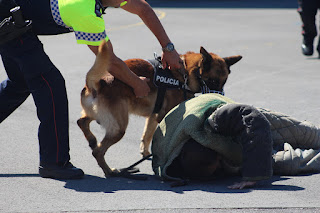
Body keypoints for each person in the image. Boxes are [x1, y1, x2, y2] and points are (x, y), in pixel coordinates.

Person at [0, 0, 182, 180]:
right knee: (51, 85)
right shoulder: (85, 10)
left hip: (12, 14)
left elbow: (143, 8)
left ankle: (53, 161)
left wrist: (169, 48)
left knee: (20, 83)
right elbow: (109, 60)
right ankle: (54, 162)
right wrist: (137, 83)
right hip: (12, 21)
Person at [151, 93, 320, 189]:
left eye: (219, 161)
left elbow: (252, 118)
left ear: (214, 148)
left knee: (307, 134)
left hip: (243, 120)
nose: (221, 166)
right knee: (289, 163)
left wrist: (253, 175)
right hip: (237, 145)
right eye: (218, 169)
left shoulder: (214, 122)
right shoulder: (170, 162)